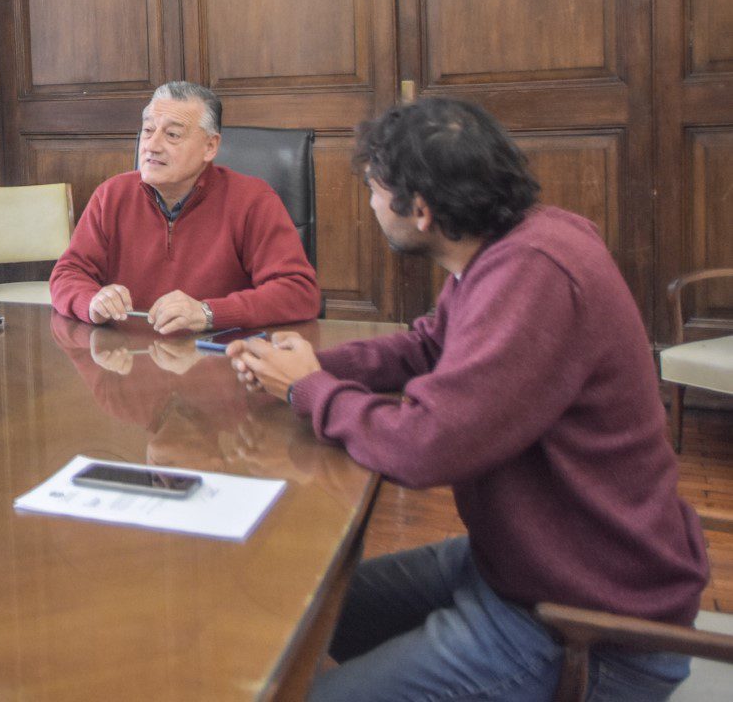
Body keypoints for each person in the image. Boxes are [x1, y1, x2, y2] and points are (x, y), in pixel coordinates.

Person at [228, 98, 708, 701]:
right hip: (520, 564)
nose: (371, 204)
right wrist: (308, 364)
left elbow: (428, 445)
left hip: (584, 621)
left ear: (421, 211)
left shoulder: (533, 273)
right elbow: (430, 346)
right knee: (289, 618)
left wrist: (310, 390)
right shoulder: (514, 243)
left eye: (375, 191)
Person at [49, 80, 319, 333]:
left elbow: (298, 292)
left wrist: (209, 313)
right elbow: (68, 274)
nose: (152, 146)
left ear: (210, 147)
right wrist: (92, 301)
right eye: (148, 130)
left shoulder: (253, 200)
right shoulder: (112, 196)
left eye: (173, 134)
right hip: (128, 360)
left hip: (219, 363)